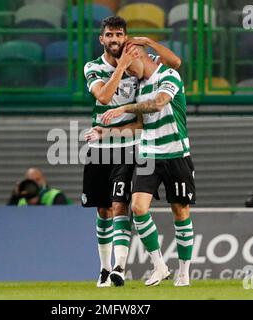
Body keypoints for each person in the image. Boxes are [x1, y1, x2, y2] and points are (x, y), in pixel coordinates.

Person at [83, 16, 182, 287]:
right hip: (99, 146)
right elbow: (103, 97)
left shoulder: (137, 59)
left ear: (125, 37)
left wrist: (148, 44)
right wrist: (121, 67)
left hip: (129, 145)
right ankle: (104, 269)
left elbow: (173, 65)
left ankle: (118, 268)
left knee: (120, 206)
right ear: (101, 39)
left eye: (119, 35)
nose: (114, 40)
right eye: (109, 35)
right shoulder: (92, 67)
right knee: (102, 209)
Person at [99, 44, 195, 287]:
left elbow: (159, 103)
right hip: (149, 155)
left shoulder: (169, 75)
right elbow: (140, 125)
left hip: (176, 154)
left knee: (180, 212)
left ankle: (183, 272)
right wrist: (107, 132)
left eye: (129, 67)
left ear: (139, 56)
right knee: (138, 208)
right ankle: (159, 265)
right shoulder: (140, 86)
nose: (129, 74)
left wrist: (124, 107)